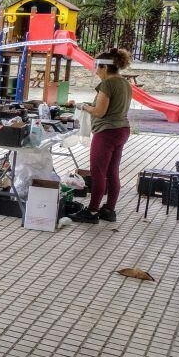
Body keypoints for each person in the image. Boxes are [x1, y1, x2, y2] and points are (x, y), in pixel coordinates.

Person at [70, 47, 133, 224]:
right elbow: (111, 106)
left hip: (107, 132)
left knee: (98, 173)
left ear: (104, 68)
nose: (96, 71)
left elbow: (99, 112)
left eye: (97, 67)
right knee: (112, 172)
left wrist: (83, 106)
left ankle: (91, 212)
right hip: (122, 130)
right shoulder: (125, 83)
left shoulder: (107, 84)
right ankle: (109, 210)